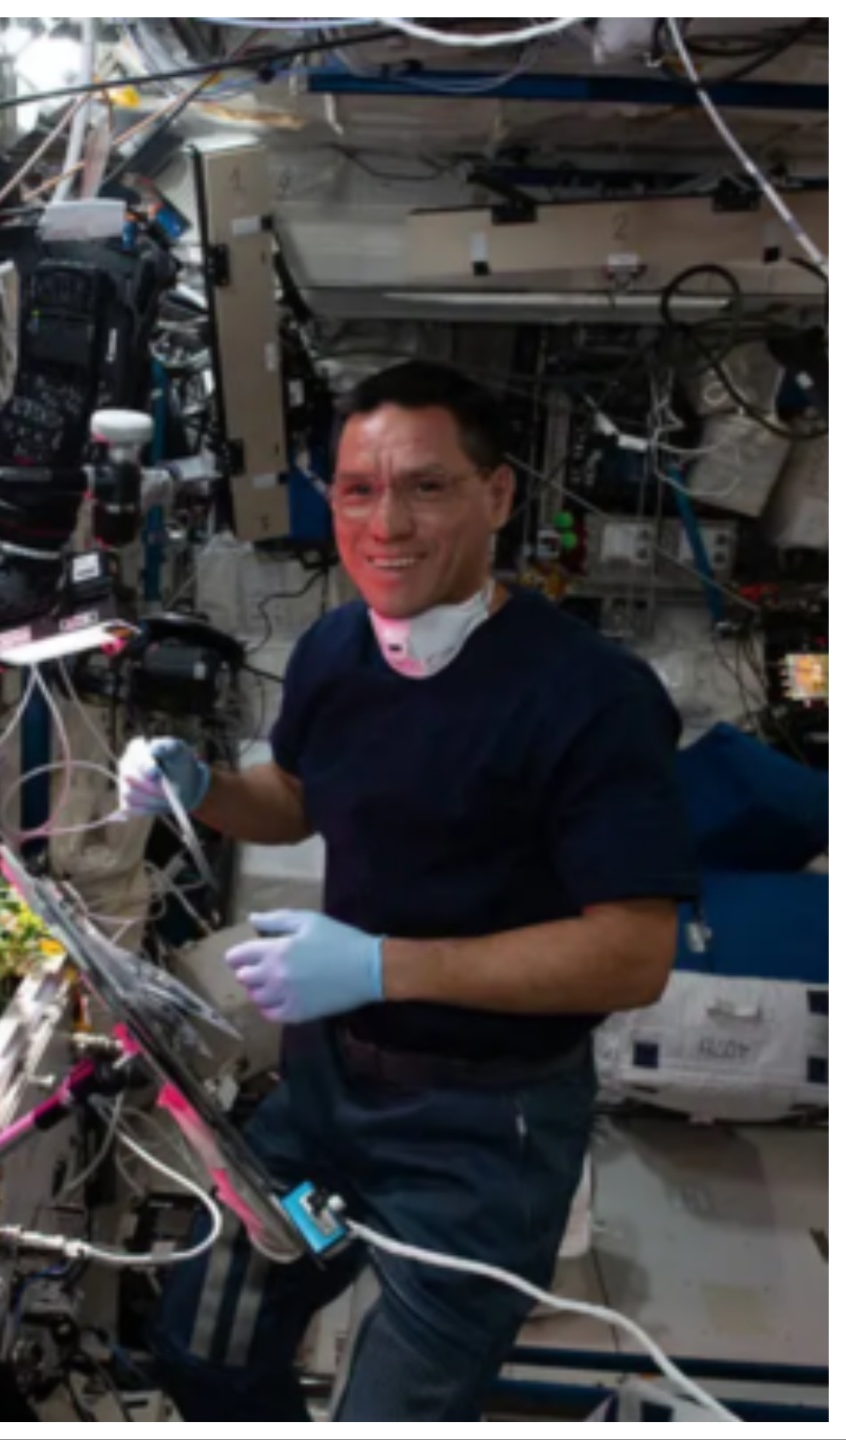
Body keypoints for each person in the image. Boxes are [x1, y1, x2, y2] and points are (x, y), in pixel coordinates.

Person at [118, 361, 699, 1420]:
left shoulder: (592, 698)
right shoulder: (339, 648)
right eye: (356, 490)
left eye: (426, 487)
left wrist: (379, 965)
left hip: (482, 1132)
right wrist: (198, 791)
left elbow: (632, 952)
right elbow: (294, 797)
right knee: (204, 1342)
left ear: (497, 496)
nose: (384, 523)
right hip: (323, 1101)